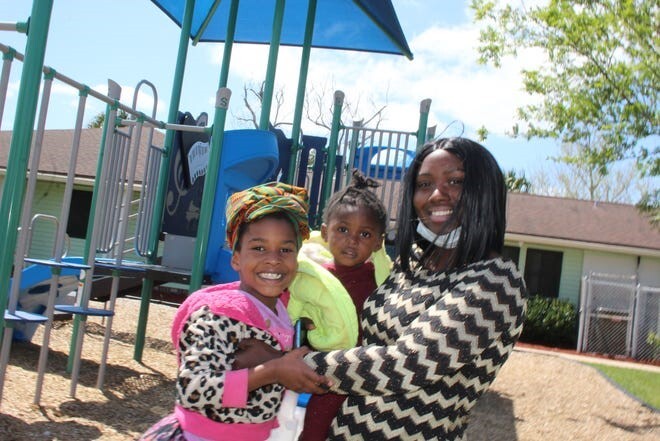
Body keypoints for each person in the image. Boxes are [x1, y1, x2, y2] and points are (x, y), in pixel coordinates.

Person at [237, 137, 528, 440]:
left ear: (485, 190)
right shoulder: (410, 263)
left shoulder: (495, 283)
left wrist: (280, 364)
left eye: (455, 181)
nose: (437, 195)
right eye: (424, 184)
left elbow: (404, 364)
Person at [140, 182, 329, 441]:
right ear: (236, 258)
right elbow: (192, 388)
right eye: (259, 248)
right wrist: (272, 371)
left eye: (285, 249)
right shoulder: (219, 314)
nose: (273, 258)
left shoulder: (287, 309)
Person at [294, 170, 392, 441]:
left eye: (365, 234)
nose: (352, 240)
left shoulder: (380, 276)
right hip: (329, 374)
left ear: (377, 242)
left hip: (370, 371)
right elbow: (291, 310)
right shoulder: (313, 277)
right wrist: (306, 325)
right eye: (343, 229)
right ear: (325, 232)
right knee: (315, 426)